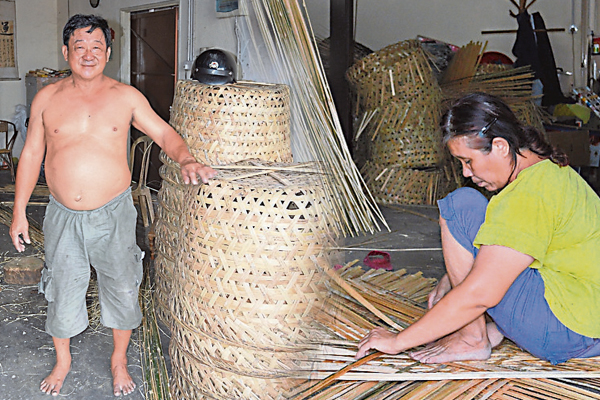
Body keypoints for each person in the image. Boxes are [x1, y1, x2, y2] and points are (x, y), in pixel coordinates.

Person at [9, 14, 216, 397]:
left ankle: (118, 359)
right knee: (62, 287)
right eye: (80, 47)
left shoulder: (126, 97)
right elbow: (33, 153)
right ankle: (63, 360)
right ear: (66, 51)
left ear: (108, 52)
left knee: (122, 286)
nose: (88, 55)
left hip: (114, 215)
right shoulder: (47, 98)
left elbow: (164, 133)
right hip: (62, 215)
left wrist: (186, 159)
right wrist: (19, 211)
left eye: (97, 47)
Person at [356, 92, 600, 365]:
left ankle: (472, 339)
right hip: (590, 321)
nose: (466, 173)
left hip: (569, 331)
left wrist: (397, 341)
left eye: (468, 161)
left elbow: (481, 294)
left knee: (460, 206)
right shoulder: (545, 170)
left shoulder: (528, 196)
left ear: (500, 147)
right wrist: (453, 275)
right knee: (473, 211)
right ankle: (499, 330)